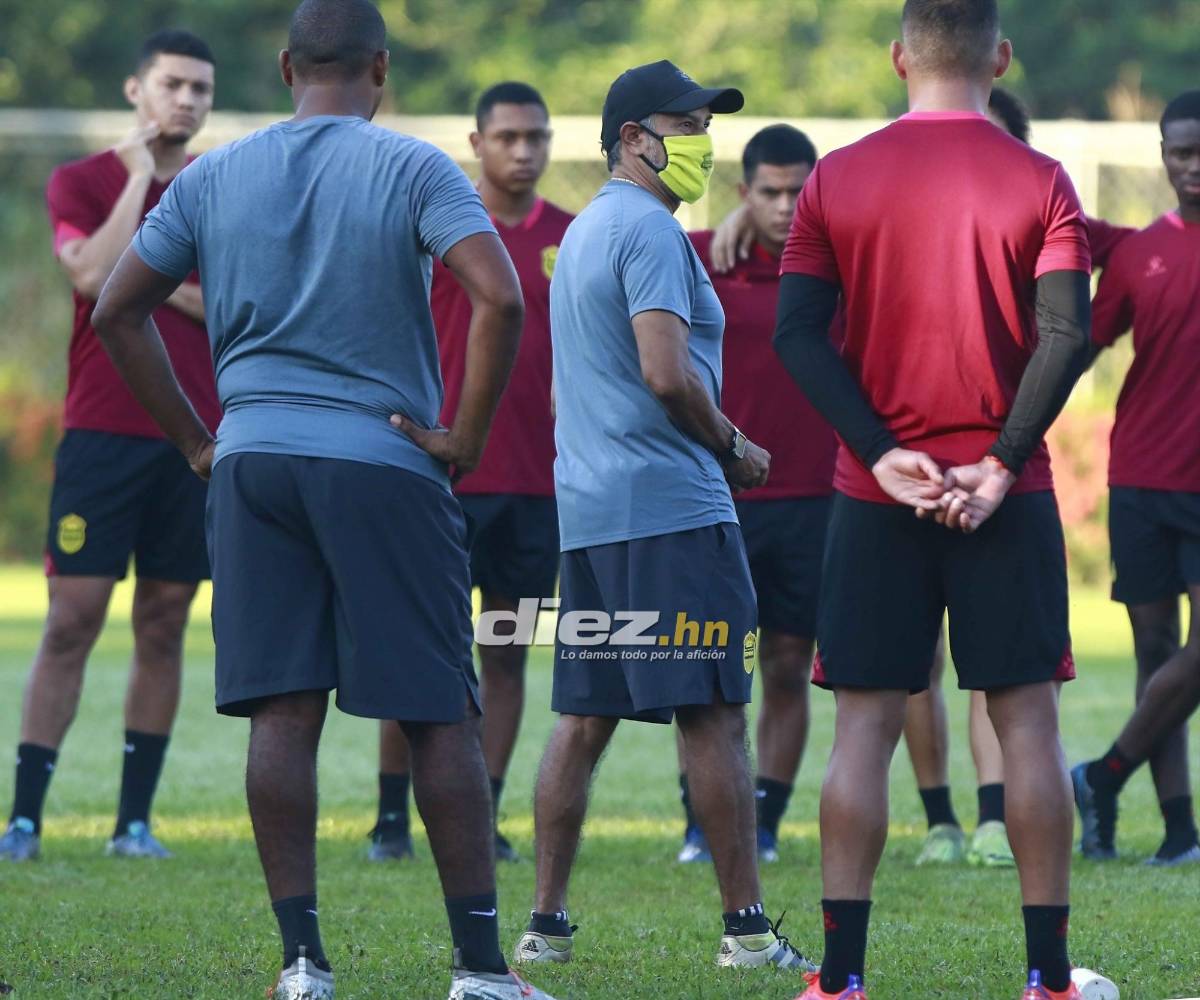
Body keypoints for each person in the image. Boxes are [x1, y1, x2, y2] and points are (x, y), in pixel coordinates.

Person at [89, 3, 558, 998]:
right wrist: (462, 440)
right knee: (438, 715)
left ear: (284, 65)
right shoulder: (419, 168)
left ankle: (303, 964)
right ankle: (480, 969)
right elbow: (502, 296)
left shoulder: (214, 173)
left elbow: (114, 307)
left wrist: (197, 442)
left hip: (251, 461)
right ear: (381, 68)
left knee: (282, 714)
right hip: (382, 461)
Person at [773, 2, 1115, 998]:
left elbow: (799, 334)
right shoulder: (1041, 178)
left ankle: (838, 979)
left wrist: (880, 456)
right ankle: (1049, 977)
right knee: (1029, 729)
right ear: (1000, 58)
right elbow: (1066, 336)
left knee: (863, 729)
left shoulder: (838, 176)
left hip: (877, 496)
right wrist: (1003, 462)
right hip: (1005, 496)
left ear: (897, 59)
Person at [513, 60, 814, 976]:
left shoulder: (589, 228)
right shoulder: (646, 229)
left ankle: (546, 926)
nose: (701, 144)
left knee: (584, 717)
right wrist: (733, 446)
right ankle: (747, 930)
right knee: (718, 715)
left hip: (594, 512)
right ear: (633, 140)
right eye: (684, 126)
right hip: (673, 510)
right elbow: (663, 370)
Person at [0, 30, 218, 864]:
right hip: (100, 435)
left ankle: (133, 824)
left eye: (200, 89)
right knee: (72, 621)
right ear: (136, 90)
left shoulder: (214, 189)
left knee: (164, 623)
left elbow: (233, 305)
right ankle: (25, 818)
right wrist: (136, 179)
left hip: (192, 436)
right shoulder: (85, 179)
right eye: (172, 84)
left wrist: (156, 283)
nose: (187, 101)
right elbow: (93, 279)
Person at [370, 81, 571, 866]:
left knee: (507, 649)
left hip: (533, 482)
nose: (524, 151)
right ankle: (391, 816)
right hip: (439, 473)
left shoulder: (572, 237)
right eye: (509, 137)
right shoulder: (439, 227)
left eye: (537, 137)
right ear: (476, 142)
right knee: (417, 646)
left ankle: (481, 813)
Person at [673, 124, 829, 867]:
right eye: (769, 191)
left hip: (812, 497)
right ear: (744, 194)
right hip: (715, 492)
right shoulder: (701, 260)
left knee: (788, 663)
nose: (784, 205)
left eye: (799, 191)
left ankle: (763, 820)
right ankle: (700, 823)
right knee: (705, 663)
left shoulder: (841, 267)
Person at [1071, 89, 1200, 868]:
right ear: (1162, 156)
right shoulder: (1138, 254)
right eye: (1181, 151)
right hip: (1147, 477)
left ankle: (1102, 775)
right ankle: (1180, 831)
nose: (1193, 166)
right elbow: (1076, 347)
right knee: (1156, 658)